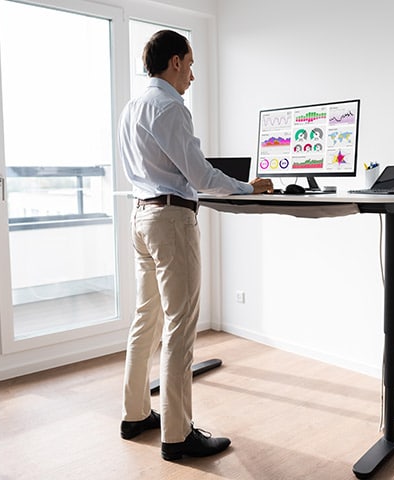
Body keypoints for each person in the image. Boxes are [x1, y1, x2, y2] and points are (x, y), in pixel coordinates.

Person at [116, 29, 273, 461]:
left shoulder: (132, 108)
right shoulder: (170, 106)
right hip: (170, 221)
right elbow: (201, 177)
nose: (193, 75)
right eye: (190, 64)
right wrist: (247, 187)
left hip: (141, 218)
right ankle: (177, 435)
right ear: (176, 62)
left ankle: (135, 415)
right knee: (180, 326)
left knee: (145, 320)